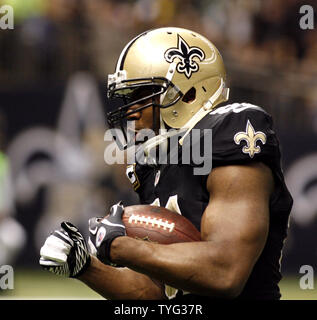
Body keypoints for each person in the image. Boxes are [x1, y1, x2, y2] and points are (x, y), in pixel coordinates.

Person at [39, 27, 293, 300]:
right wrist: (85, 266)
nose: (131, 113)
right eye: (128, 99)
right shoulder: (155, 164)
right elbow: (155, 291)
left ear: (188, 94)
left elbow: (225, 271)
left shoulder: (229, 134)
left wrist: (121, 247)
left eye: (141, 96)